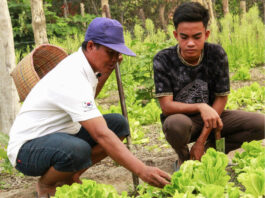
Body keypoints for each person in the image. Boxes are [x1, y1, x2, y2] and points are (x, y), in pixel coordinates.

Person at [7, 17, 170, 198]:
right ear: (91, 46)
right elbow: (100, 134)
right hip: (28, 149)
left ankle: (69, 176)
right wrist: (142, 170)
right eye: (110, 53)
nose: (115, 59)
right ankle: (46, 184)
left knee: (118, 124)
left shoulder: (85, 66)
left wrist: (108, 67)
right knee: (78, 149)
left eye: (117, 54)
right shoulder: (71, 75)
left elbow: (90, 99)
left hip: (60, 135)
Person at [153, 2, 265, 171]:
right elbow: (167, 107)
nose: (190, 43)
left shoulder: (216, 54)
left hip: (214, 116)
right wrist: (201, 106)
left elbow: (221, 98)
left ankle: (207, 152)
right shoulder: (163, 59)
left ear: (206, 34)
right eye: (184, 37)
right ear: (176, 35)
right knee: (174, 125)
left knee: (260, 123)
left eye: (197, 37)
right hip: (182, 120)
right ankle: (184, 159)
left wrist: (201, 142)